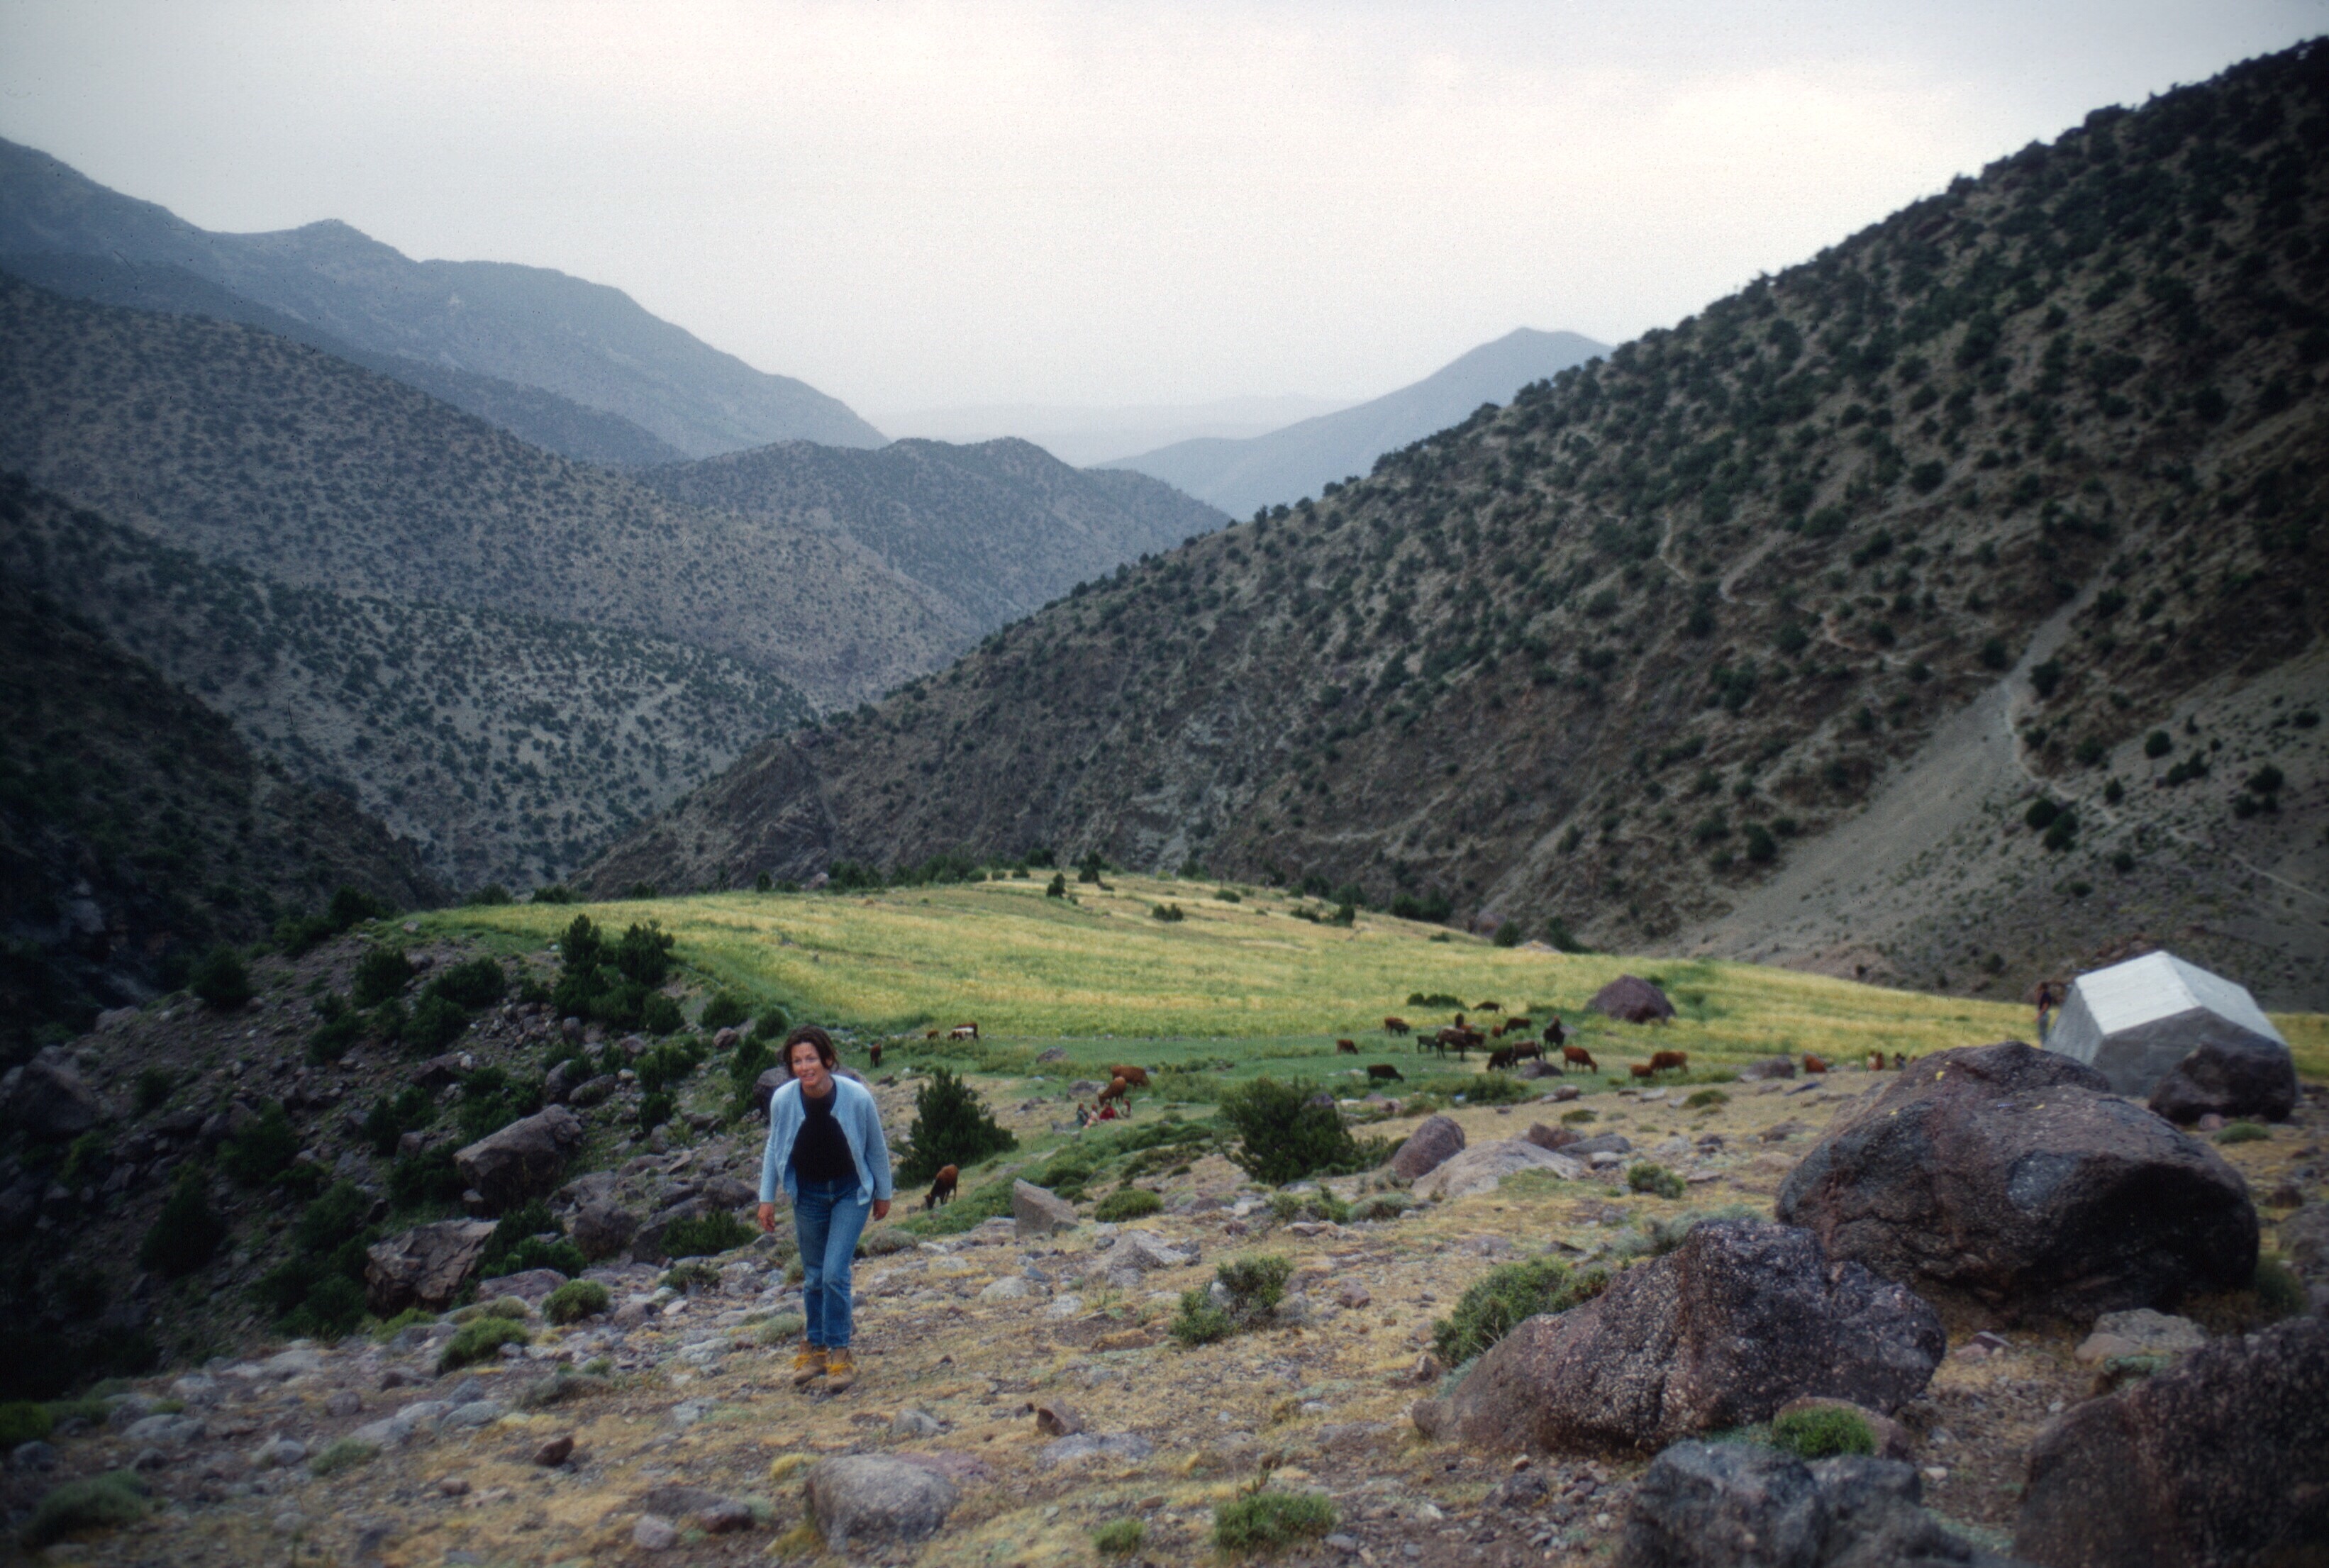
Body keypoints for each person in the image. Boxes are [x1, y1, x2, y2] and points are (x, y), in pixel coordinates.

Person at [757, 1025, 892, 1393]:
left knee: (834, 1272)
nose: (804, 1067)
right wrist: (766, 1197)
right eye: (797, 1061)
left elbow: (875, 1146)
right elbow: (774, 1147)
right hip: (809, 1193)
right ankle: (814, 1349)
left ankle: (840, 1352)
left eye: (811, 1059)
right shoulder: (783, 1100)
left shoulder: (856, 1097)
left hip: (851, 1191)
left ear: (828, 1060)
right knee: (813, 1275)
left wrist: (884, 1192)